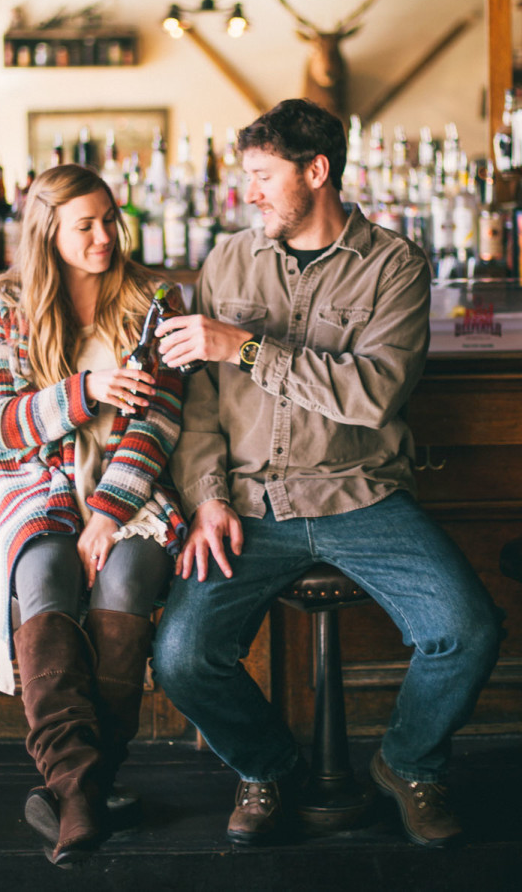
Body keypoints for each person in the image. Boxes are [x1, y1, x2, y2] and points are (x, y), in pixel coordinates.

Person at [152, 98, 502, 849]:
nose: (249, 192)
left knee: (468, 629)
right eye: (245, 175)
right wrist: (207, 497)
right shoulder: (227, 261)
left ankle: (408, 763)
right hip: (250, 502)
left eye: (262, 175)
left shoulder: (395, 266)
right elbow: (201, 405)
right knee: (181, 656)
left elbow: (373, 394)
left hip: (360, 493)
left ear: (317, 171)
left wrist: (246, 346)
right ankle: (268, 768)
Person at [0, 163, 186, 867]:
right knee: (43, 581)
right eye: (84, 226)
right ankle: (78, 790)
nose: (103, 237)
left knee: (124, 587)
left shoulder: (156, 298)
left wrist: (105, 515)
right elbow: (2, 423)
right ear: (49, 233)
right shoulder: (8, 303)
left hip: (132, 488)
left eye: (108, 220)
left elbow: (158, 422)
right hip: (37, 482)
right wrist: (84, 389)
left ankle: (80, 792)